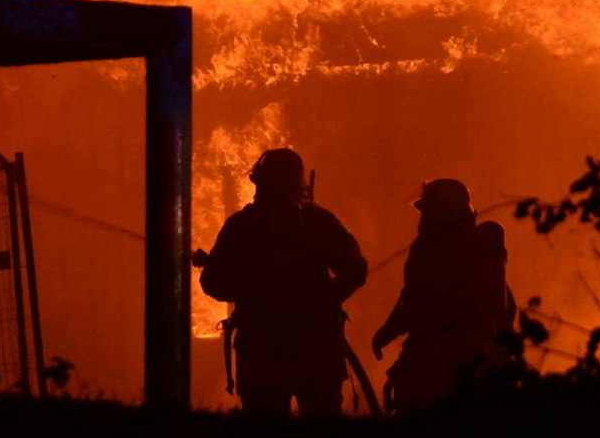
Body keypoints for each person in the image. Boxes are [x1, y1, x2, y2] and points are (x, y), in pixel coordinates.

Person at [197, 147, 368, 417]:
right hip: (317, 349)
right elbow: (356, 269)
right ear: (298, 184)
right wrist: (326, 299)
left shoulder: (242, 226)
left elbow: (213, 282)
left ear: (260, 182)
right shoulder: (320, 222)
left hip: (261, 352)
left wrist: (246, 288)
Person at [371, 178, 516, 413]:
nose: (424, 219)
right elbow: (411, 299)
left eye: (429, 211)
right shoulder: (424, 251)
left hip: (464, 358)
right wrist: (387, 332)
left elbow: (495, 307)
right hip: (427, 358)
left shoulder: (480, 245)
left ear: (447, 213)